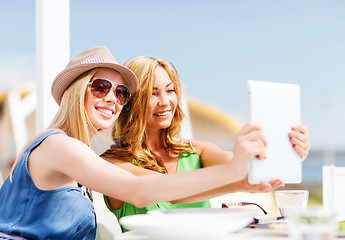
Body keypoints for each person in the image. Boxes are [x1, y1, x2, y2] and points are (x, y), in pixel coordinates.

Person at [0, 47, 267, 240]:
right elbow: (138, 190)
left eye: (121, 92)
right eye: (101, 86)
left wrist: (242, 181)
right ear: (76, 90)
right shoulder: (59, 146)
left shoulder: (75, 155)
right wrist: (233, 174)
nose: (112, 98)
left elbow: (163, 192)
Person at [101, 56, 310, 231]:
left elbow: (243, 165)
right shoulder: (111, 164)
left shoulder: (197, 151)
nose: (165, 102)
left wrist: (286, 152)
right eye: (152, 94)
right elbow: (168, 191)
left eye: (170, 90)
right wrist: (237, 181)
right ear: (130, 100)